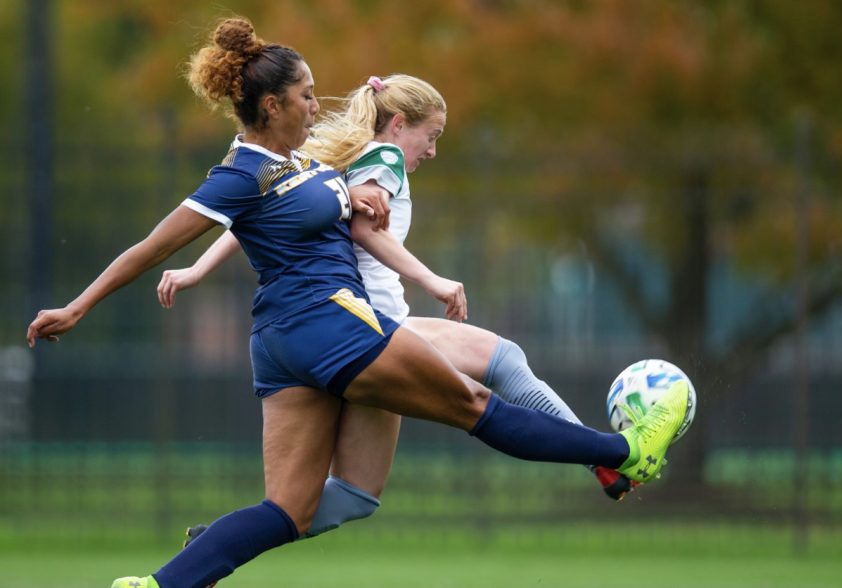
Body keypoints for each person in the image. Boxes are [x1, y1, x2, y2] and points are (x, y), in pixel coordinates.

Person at [25, 17, 689, 588]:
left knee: (291, 510)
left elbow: (324, 208)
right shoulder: (240, 174)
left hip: (282, 346)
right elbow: (150, 245)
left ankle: (160, 582)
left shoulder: (303, 164)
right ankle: (625, 452)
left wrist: (352, 196)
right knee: (473, 404)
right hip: (330, 324)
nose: (317, 105)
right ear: (270, 108)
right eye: (306, 96)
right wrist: (79, 307)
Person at [158, 73, 636, 546]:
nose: (431, 151)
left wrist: (197, 269)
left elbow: (252, 215)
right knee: (502, 360)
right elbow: (367, 232)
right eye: (432, 136)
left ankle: (217, 542)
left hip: (336, 332)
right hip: (367, 328)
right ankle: (600, 457)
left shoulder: (324, 164)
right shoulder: (385, 156)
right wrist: (433, 280)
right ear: (400, 124)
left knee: (354, 494)